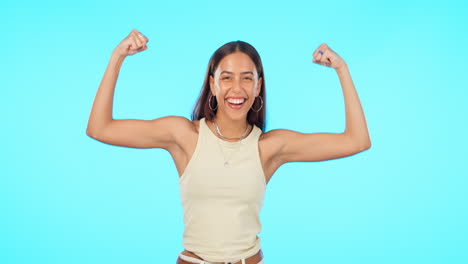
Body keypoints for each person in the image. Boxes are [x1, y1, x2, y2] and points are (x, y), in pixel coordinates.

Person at [86, 29, 371, 264]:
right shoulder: (184, 136)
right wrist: (117, 58)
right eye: (226, 77)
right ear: (212, 84)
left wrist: (342, 70)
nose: (237, 89)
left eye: (247, 78)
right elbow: (100, 128)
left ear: (258, 87)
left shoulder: (269, 147)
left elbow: (356, 141)